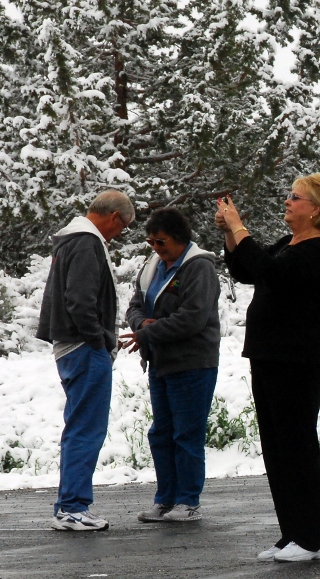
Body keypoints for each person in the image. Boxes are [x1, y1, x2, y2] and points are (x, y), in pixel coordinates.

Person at [216, 175, 320, 560]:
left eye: (295, 197)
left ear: (316, 209)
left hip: (299, 357)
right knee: (276, 446)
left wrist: (241, 228)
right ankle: (292, 533)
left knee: (296, 443)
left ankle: (312, 538)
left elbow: (272, 273)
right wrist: (229, 234)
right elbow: (247, 270)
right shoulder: (290, 244)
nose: (287, 201)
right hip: (270, 355)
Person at [36, 190, 134, 531]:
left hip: (69, 344)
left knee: (77, 426)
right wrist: (100, 339)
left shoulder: (69, 239)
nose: (119, 234)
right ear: (114, 218)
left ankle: (69, 504)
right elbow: (80, 300)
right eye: (123, 227)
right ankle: (74, 508)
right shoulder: (87, 242)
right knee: (86, 429)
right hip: (83, 347)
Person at [120, 208, 220, 523]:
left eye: (161, 242)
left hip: (193, 362)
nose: (156, 248)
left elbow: (193, 317)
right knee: (161, 433)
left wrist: (148, 331)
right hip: (161, 361)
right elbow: (135, 305)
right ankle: (165, 500)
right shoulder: (152, 267)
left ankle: (188, 501)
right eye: (151, 242)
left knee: (186, 435)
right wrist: (142, 324)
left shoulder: (198, 267)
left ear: (179, 239)